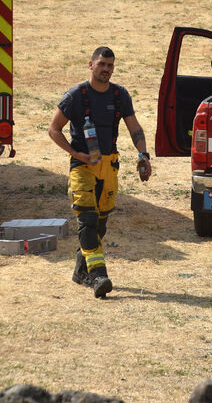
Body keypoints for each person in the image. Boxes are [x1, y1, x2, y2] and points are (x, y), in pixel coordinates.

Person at [48, 46, 152, 298]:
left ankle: (80, 271)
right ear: (91, 65)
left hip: (109, 166)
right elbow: (54, 129)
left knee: (101, 225)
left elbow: (135, 128)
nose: (106, 69)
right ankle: (98, 276)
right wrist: (77, 154)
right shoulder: (75, 96)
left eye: (110, 65)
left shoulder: (120, 95)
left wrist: (143, 155)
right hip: (83, 166)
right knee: (87, 221)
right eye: (102, 64)